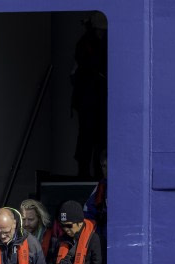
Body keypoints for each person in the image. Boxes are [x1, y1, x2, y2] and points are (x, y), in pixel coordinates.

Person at [71, 11, 107, 181]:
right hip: (89, 100)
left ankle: (96, 172)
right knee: (88, 138)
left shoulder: (96, 43)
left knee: (97, 139)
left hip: (96, 100)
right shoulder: (86, 45)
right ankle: (84, 173)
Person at [20, 199, 63, 264]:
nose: (26, 224)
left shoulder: (51, 238)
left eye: (31, 219)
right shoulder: (13, 238)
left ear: (39, 218)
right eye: (23, 219)